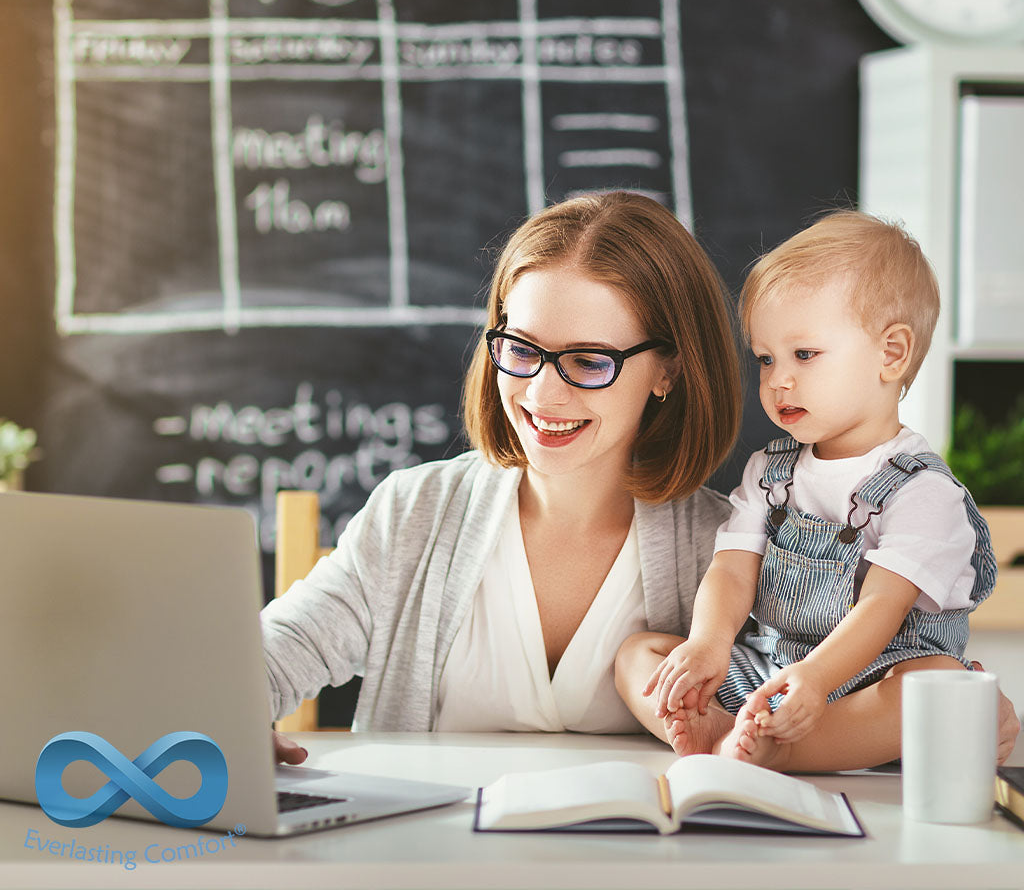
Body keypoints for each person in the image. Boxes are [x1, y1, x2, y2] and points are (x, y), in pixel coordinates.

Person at [264, 190, 744, 764]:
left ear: (669, 369)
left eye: (589, 361)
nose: (542, 394)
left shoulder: (732, 552)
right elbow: (280, 649)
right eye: (521, 349)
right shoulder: (415, 511)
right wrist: (225, 711)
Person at [616, 210, 1017, 770]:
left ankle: (777, 750)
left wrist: (816, 679)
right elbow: (732, 570)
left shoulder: (924, 492)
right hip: (774, 670)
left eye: (804, 355)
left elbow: (880, 607)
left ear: (891, 354)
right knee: (642, 654)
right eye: (765, 358)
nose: (778, 379)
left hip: (869, 683)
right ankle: (730, 731)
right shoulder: (769, 470)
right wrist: (707, 645)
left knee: (940, 683)